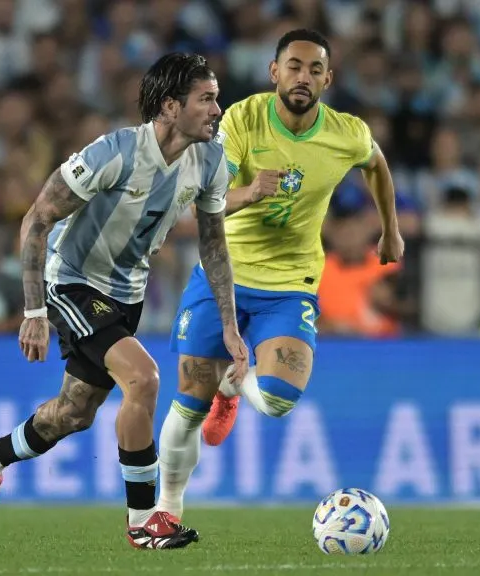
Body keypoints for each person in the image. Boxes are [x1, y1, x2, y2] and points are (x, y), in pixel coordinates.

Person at [0, 53, 249, 550]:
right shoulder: (113, 153)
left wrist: (229, 323)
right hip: (73, 283)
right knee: (144, 378)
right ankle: (144, 523)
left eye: (216, 98)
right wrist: (33, 312)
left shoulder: (211, 162)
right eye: (206, 99)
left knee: (73, 414)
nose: (217, 109)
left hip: (126, 297)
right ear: (169, 106)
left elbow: (213, 244)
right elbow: (37, 218)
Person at [157, 29, 405, 521]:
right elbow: (198, 197)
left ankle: (233, 386)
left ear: (328, 79)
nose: (303, 77)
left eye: (315, 69)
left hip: (290, 285)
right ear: (275, 72)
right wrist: (248, 193)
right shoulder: (243, 120)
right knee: (187, 406)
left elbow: (375, 163)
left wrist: (390, 231)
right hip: (222, 276)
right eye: (294, 66)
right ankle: (168, 508)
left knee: (275, 401)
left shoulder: (345, 132)